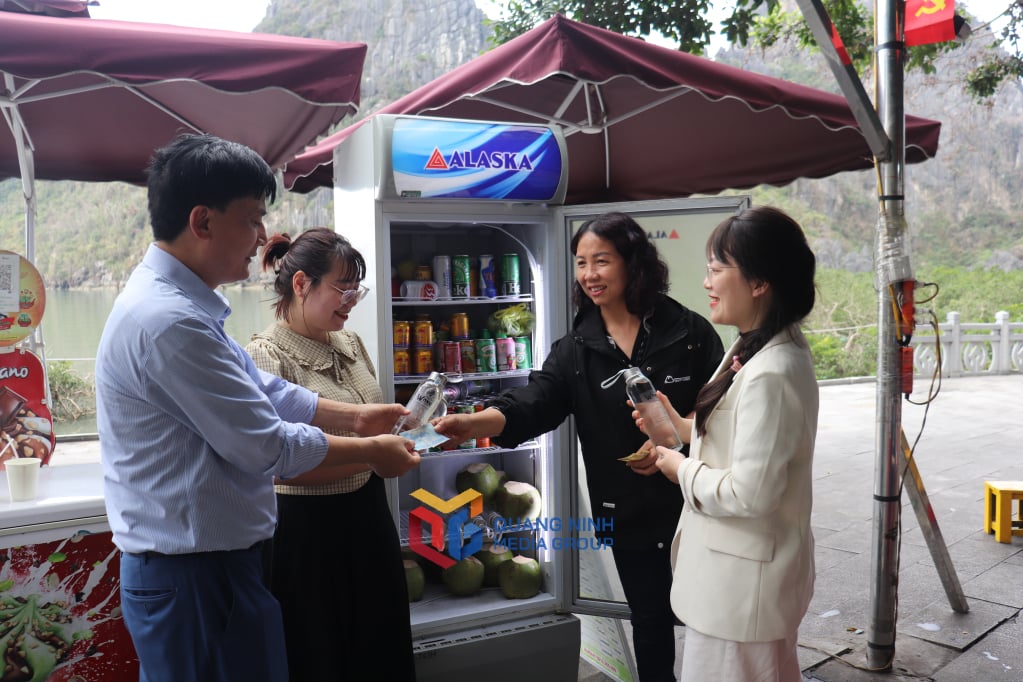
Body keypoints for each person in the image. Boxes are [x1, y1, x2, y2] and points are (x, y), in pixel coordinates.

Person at [95, 134, 420, 682]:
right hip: (195, 576)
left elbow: (263, 392)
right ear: (202, 221)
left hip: (215, 571)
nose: (263, 237)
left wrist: (356, 417)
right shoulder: (169, 322)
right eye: (252, 219)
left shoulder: (185, 309)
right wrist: (369, 452)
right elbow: (264, 443)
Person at [433, 212, 723, 682]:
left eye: (601, 261)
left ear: (634, 264)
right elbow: (533, 402)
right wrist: (475, 423)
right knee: (649, 623)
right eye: (582, 263)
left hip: (695, 501)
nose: (589, 274)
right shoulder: (576, 349)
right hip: (628, 511)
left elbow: (721, 413)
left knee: (713, 620)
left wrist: (678, 449)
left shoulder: (688, 334)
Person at [650, 206, 818, 681]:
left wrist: (678, 468)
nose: (707, 282)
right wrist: (678, 427)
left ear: (760, 281)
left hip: (742, 593)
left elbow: (751, 493)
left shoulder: (772, 370)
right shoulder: (757, 344)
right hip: (737, 586)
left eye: (717, 269)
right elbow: (744, 442)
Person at [245, 228, 416, 681]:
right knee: (320, 652)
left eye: (355, 290)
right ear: (301, 284)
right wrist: (375, 457)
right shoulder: (265, 356)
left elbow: (373, 421)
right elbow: (279, 468)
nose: (351, 300)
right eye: (342, 288)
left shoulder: (351, 344)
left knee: (379, 644)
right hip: (306, 530)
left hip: (368, 516)